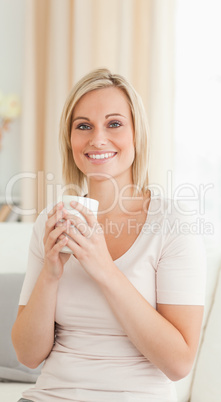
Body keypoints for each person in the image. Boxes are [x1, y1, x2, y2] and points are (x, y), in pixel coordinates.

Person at [12, 68, 206, 402]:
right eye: (83, 126)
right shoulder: (52, 221)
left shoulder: (173, 224)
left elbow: (179, 362)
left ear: (136, 135)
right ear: (70, 139)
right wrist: (50, 274)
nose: (97, 139)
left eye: (114, 124)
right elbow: (28, 356)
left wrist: (103, 268)